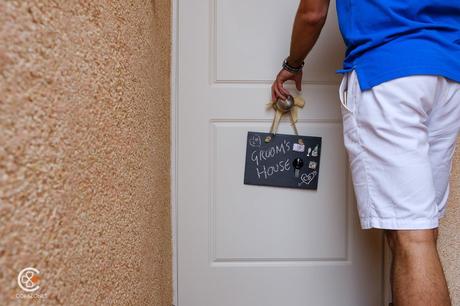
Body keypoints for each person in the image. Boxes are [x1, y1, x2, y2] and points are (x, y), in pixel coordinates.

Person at [272, 1, 460, 305]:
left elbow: (313, 13)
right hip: (449, 77)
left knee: (412, 235)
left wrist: (293, 64)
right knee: (419, 228)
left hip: (388, 75)